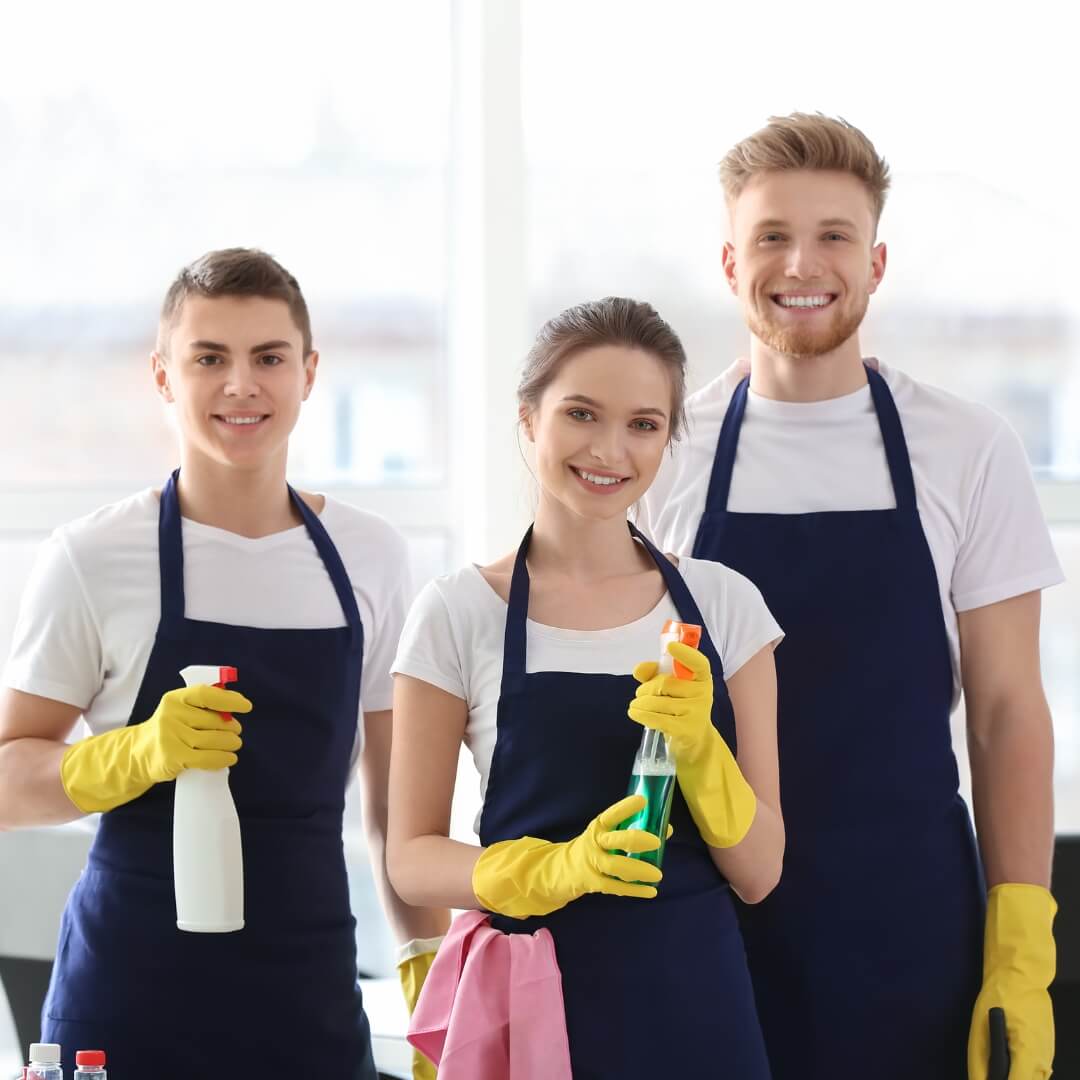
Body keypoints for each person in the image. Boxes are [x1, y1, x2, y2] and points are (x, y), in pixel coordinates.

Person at [639, 113, 1063, 1080]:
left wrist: (1021, 944)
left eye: (833, 236)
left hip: (909, 928)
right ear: (728, 262)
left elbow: (1004, 714)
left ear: (875, 262)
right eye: (772, 237)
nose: (803, 263)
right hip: (706, 921)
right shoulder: (667, 453)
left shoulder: (967, 447)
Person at [0, 248, 448, 1078]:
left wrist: (434, 980)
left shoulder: (371, 558)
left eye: (269, 358)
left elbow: (396, 819)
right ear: (164, 377)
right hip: (126, 1003)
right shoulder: (94, 558)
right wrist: (132, 754)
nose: (241, 385)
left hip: (307, 1002)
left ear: (309, 373)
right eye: (209, 358)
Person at [387, 297, 785, 1078]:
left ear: (669, 440)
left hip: (695, 1005)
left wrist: (702, 748)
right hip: (536, 1004)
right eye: (581, 413)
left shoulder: (725, 604)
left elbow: (761, 870)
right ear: (530, 419)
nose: (610, 449)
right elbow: (410, 857)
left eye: (643, 424)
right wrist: (545, 870)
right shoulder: (458, 610)